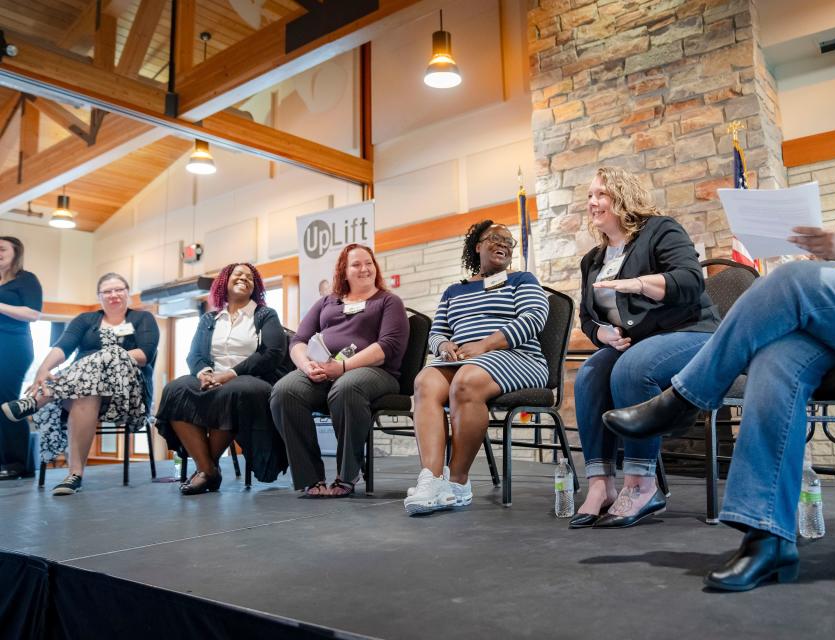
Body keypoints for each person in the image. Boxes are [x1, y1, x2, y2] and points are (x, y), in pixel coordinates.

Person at [602, 54, 835, 591]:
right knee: (776, 356)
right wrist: (822, 263)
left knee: (790, 289)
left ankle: (682, 398)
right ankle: (767, 539)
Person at [570, 167, 719, 529]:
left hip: (693, 333)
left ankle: (641, 486)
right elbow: (587, 316)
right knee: (588, 374)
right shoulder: (593, 259)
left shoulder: (659, 230)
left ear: (623, 196)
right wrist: (601, 335)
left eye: (601, 194)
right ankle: (600, 485)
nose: (592, 202)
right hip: (638, 342)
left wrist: (633, 284)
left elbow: (689, 280)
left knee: (633, 368)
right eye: (590, 196)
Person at [404, 220, 549, 516]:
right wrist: (444, 347)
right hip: (462, 361)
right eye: (495, 238)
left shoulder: (522, 279)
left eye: (509, 242)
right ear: (477, 245)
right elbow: (437, 332)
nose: (504, 244)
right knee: (424, 382)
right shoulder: (453, 291)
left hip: (518, 357)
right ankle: (430, 481)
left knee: (466, 382)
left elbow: (535, 317)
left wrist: (484, 345)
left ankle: (457, 482)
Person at [271, 244, 408, 498]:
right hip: (325, 371)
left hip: (374, 372)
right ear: (344, 271)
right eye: (356, 264)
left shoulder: (388, 301)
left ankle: (348, 474)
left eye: (369, 263)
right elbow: (298, 341)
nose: (364, 268)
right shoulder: (327, 302)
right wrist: (306, 365)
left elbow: (387, 347)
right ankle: (310, 477)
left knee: (347, 387)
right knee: (284, 391)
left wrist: (342, 367)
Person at [2, 273, 158, 496]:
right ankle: (75, 475)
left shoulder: (143, 319)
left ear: (127, 293)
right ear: (99, 296)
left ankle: (37, 401)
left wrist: (107, 357)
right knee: (86, 392)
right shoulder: (85, 320)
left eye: (119, 289)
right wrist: (43, 369)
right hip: (80, 391)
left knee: (107, 356)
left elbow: (145, 354)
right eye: (107, 291)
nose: (113, 295)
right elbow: (62, 348)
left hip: (126, 393)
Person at [155, 263, 286, 495]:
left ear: (255, 287)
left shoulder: (265, 315)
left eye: (250, 277)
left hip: (250, 380)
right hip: (213, 379)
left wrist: (230, 374)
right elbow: (194, 354)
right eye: (238, 274)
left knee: (234, 391)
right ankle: (209, 470)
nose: (244, 278)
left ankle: (205, 471)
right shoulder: (209, 318)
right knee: (176, 389)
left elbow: (272, 353)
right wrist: (204, 373)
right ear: (224, 281)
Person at [0, 237, 42, 480]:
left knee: (6, 402)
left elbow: (33, 313)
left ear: (16, 253)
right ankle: (5, 461)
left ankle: (18, 463)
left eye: (2, 249)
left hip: (14, 348)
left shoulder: (26, 279)